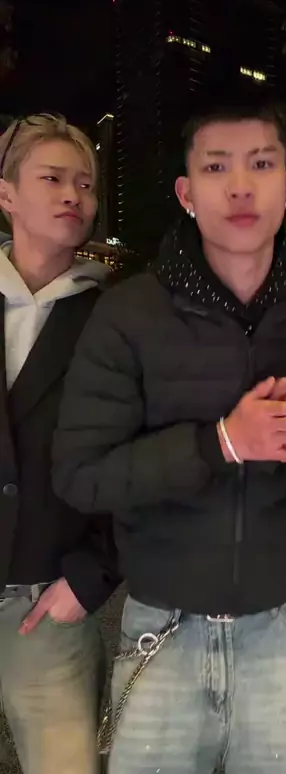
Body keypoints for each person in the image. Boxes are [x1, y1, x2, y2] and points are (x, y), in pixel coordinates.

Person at [53, 104, 286, 774]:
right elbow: (82, 473)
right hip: (162, 631)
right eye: (216, 167)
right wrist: (222, 443)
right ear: (187, 192)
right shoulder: (129, 313)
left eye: (261, 165)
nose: (240, 187)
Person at [0, 113, 119, 774]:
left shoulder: (114, 320)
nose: (74, 194)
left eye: (85, 183)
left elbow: (139, 461)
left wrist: (90, 576)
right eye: (52, 178)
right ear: (6, 194)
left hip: (46, 604)